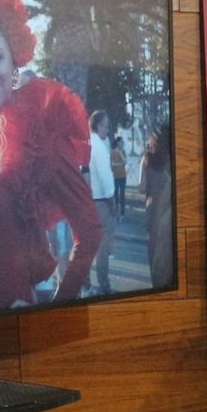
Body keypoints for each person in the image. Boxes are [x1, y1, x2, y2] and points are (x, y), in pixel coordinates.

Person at [0, 0, 102, 314]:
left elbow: (88, 230)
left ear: (13, 60)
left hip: (8, 318)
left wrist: (56, 308)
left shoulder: (39, 137)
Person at [86, 111, 119, 293]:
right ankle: (104, 285)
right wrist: (113, 203)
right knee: (103, 248)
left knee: (89, 246)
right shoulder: (98, 146)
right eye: (105, 125)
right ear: (98, 125)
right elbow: (105, 178)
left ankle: (86, 284)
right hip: (101, 202)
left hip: (88, 201)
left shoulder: (87, 142)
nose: (107, 129)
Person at [142, 129, 173, 290]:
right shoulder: (168, 162)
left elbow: (141, 186)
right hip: (163, 205)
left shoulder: (147, 160)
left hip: (153, 206)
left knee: (155, 251)